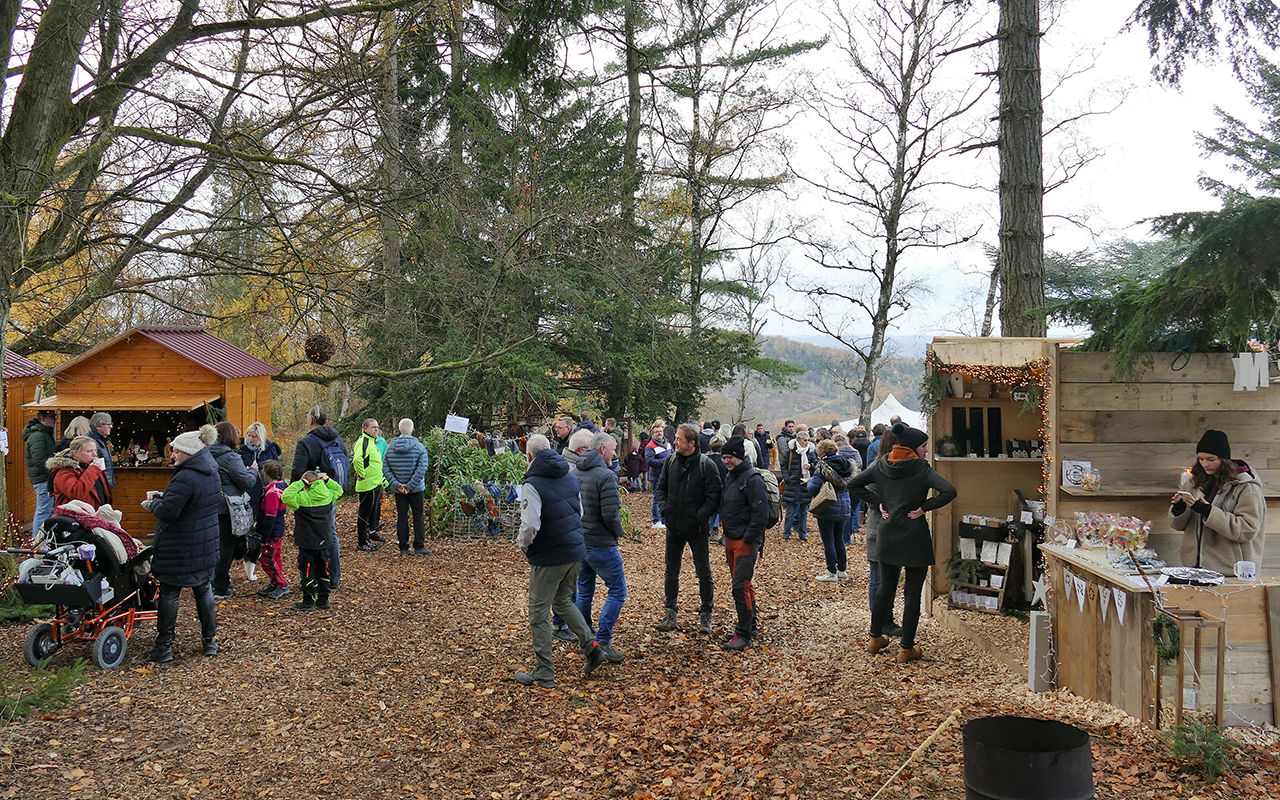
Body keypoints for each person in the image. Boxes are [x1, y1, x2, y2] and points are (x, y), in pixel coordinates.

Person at [851, 423, 957, 664]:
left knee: (885, 588)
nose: (926, 451)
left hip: (887, 535)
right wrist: (924, 508)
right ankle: (906, 648)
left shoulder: (881, 464)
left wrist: (879, 502)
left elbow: (854, 484)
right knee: (911, 593)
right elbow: (949, 491)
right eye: (924, 446)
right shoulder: (921, 468)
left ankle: (875, 637)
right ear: (913, 447)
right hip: (914, 536)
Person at [513, 434, 607, 689]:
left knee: (538, 613)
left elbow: (531, 523)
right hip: (575, 549)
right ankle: (592, 649)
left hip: (549, 554)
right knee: (564, 601)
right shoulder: (569, 475)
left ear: (529, 456)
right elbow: (581, 512)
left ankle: (544, 672)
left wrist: (523, 544)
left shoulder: (532, 483)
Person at [142, 428, 222, 662]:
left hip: (179, 545)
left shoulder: (186, 476)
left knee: (169, 592)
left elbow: (169, 512)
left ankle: (164, 647)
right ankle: (210, 642)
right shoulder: (211, 471)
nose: (173, 455)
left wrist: (153, 504)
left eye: (176, 451)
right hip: (205, 543)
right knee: (203, 589)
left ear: (188, 452)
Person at [654, 423, 723, 635]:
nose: (674, 442)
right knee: (671, 571)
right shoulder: (670, 461)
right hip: (674, 526)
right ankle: (670, 612)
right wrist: (665, 510)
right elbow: (661, 488)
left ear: (691, 443)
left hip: (697, 529)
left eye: (679, 439)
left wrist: (698, 517)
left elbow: (714, 497)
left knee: (703, 572)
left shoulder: (706, 465)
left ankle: (706, 614)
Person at [1169, 429, 1266, 574]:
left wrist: (1208, 512)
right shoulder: (1194, 482)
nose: (1205, 464)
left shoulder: (1246, 487)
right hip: (1194, 568)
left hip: (1231, 571)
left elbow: (1247, 529)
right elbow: (1177, 525)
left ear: (1224, 459)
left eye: (1211, 459)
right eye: (1201, 459)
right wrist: (1179, 508)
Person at [572, 430, 628, 664]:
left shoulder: (574, 472)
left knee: (584, 591)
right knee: (618, 590)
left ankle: (586, 639)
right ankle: (602, 640)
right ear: (602, 449)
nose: (616, 453)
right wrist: (619, 533)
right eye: (614, 449)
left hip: (580, 542)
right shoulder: (606, 476)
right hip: (601, 543)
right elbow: (610, 515)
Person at [719, 436, 768, 650]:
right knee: (744, 584)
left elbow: (760, 514)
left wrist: (748, 538)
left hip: (745, 541)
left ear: (739, 456)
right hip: (731, 537)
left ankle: (744, 634)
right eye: (724, 457)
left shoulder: (753, 479)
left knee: (739, 586)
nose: (726, 461)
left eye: (729, 457)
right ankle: (750, 624)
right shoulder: (731, 477)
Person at [291, 406, 347, 587]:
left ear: (310, 420)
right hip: (329, 493)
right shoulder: (337, 439)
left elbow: (298, 472)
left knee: (309, 536)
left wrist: (295, 493)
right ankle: (332, 576)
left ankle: (312, 578)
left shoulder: (306, 443)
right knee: (329, 532)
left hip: (309, 498)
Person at [210, 422, 259, 600]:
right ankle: (220, 586)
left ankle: (212, 581)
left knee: (213, 546)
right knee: (226, 547)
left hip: (209, 507)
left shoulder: (206, 454)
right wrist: (253, 471)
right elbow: (246, 481)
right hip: (227, 509)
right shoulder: (230, 457)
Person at [282, 470, 343, 611]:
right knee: (324, 570)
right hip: (324, 540)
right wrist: (327, 480)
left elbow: (286, 496)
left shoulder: (302, 498)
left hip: (307, 541)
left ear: (306, 484)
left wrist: (300, 483)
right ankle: (324, 599)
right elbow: (338, 489)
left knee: (307, 571)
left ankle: (308, 601)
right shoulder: (328, 496)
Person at [861, 427, 902, 637]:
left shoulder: (891, 466)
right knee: (878, 579)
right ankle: (878, 622)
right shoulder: (877, 466)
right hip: (878, 529)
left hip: (889, 530)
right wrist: (881, 503)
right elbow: (864, 490)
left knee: (888, 579)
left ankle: (885, 619)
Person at [383, 418, 431, 556]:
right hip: (416, 489)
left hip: (399, 490)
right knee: (418, 516)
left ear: (399, 430)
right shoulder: (419, 447)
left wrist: (397, 484)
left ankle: (403, 548)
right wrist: (410, 486)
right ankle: (419, 546)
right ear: (413, 430)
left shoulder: (390, 448)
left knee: (402, 517)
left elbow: (386, 468)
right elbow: (422, 469)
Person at [808, 439, 854, 582]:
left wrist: (809, 482)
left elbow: (812, 488)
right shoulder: (847, 466)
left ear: (821, 452)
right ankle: (842, 570)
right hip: (844, 507)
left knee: (828, 540)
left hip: (827, 507)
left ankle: (831, 571)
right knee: (839, 538)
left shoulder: (823, 468)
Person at [255, 460, 290, 599]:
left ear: (266, 474)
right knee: (274, 557)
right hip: (277, 529)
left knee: (267, 558)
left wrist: (264, 537)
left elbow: (270, 517)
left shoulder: (272, 493)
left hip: (273, 532)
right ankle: (275, 581)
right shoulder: (281, 488)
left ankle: (281, 584)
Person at [48, 436, 112, 507]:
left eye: (95, 450)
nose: (95, 454)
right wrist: (93, 469)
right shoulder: (63, 472)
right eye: (89, 451)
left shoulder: (92, 467)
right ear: (76, 453)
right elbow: (76, 493)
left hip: (94, 515)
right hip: (75, 516)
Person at [23, 410, 57, 537]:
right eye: (52, 417)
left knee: (45, 509)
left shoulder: (44, 434)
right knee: (43, 510)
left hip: (44, 477)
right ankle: (37, 541)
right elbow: (39, 461)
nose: (54, 420)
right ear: (43, 418)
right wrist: (50, 475)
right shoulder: (38, 436)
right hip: (43, 479)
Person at [352, 418, 385, 552]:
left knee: (371, 512)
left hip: (376, 484)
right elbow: (357, 459)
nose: (376, 429)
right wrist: (362, 474)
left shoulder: (373, 442)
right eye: (373, 427)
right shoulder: (363, 442)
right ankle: (362, 542)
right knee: (364, 514)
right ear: (365, 429)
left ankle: (366, 539)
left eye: (377, 427)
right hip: (367, 485)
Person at [781, 429, 816, 541]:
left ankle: (802, 533)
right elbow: (783, 465)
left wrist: (811, 467)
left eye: (808, 440)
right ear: (799, 440)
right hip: (793, 483)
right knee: (790, 510)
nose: (807, 442)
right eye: (805, 440)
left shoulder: (810, 452)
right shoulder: (790, 451)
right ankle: (786, 533)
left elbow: (816, 465)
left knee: (804, 511)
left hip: (806, 483)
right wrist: (787, 478)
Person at [834, 433, 863, 546]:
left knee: (839, 512)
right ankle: (847, 538)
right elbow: (860, 465)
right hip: (855, 484)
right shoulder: (855, 452)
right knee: (851, 512)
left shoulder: (836, 454)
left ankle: (838, 537)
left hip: (841, 485)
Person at [644, 422, 674, 529]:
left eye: (660, 431)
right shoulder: (650, 446)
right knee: (657, 498)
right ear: (652, 433)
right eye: (657, 432)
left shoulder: (668, 443)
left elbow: (672, 453)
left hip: (668, 475)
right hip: (656, 476)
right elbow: (650, 461)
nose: (659, 433)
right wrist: (665, 460)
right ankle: (656, 520)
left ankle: (665, 519)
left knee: (667, 497)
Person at [707, 434, 729, 544]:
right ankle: (724, 536)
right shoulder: (723, 463)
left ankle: (709, 534)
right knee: (723, 515)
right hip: (721, 492)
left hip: (707, 492)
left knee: (709, 517)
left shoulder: (705, 459)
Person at [87, 411, 115, 488]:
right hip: (98, 486)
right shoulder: (91, 443)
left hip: (105, 485)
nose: (111, 427)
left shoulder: (102, 441)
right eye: (108, 424)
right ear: (97, 427)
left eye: (111, 424)